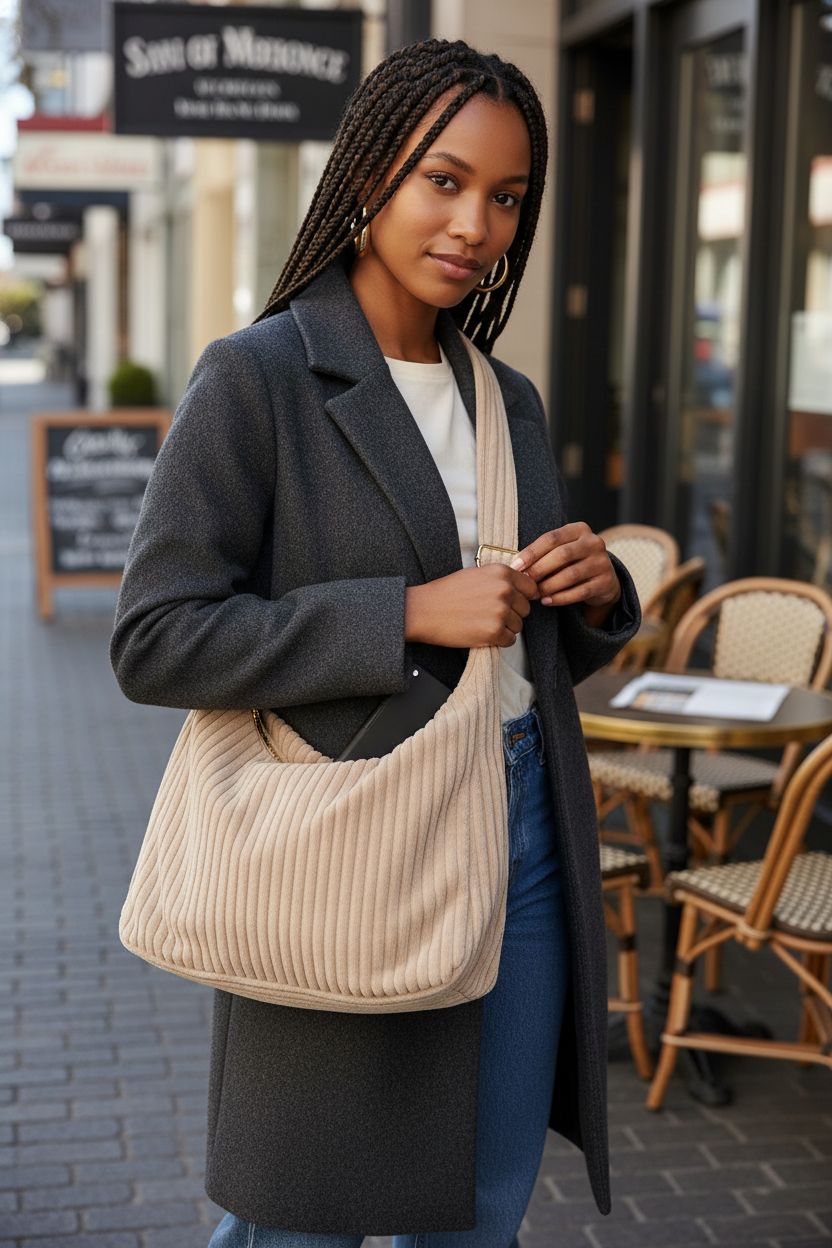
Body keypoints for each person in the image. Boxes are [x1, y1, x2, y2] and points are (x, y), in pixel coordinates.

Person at [110, 37, 640, 1248]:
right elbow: (154, 639)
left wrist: (590, 597)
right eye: (442, 180)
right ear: (367, 176)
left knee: (477, 1211)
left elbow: (518, 652)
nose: (475, 223)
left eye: (506, 197)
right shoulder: (259, 380)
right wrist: (398, 614)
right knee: (302, 1218)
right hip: (347, 840)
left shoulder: (505, 400)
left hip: (525, 839)